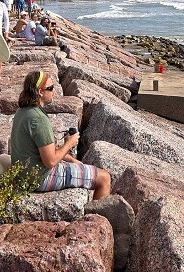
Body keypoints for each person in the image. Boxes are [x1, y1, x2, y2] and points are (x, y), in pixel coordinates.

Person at [10, 70, 111, 200]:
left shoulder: (22, 111)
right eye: (51, 88)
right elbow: (50, 161)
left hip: (24, 175)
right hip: (39, 178)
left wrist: (72, 160)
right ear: (40, 92)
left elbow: (42, 150)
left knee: (82, 167)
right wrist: (69, 143)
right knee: (104, 178)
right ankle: (97, 213)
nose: (54, 91)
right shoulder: (39, 119)